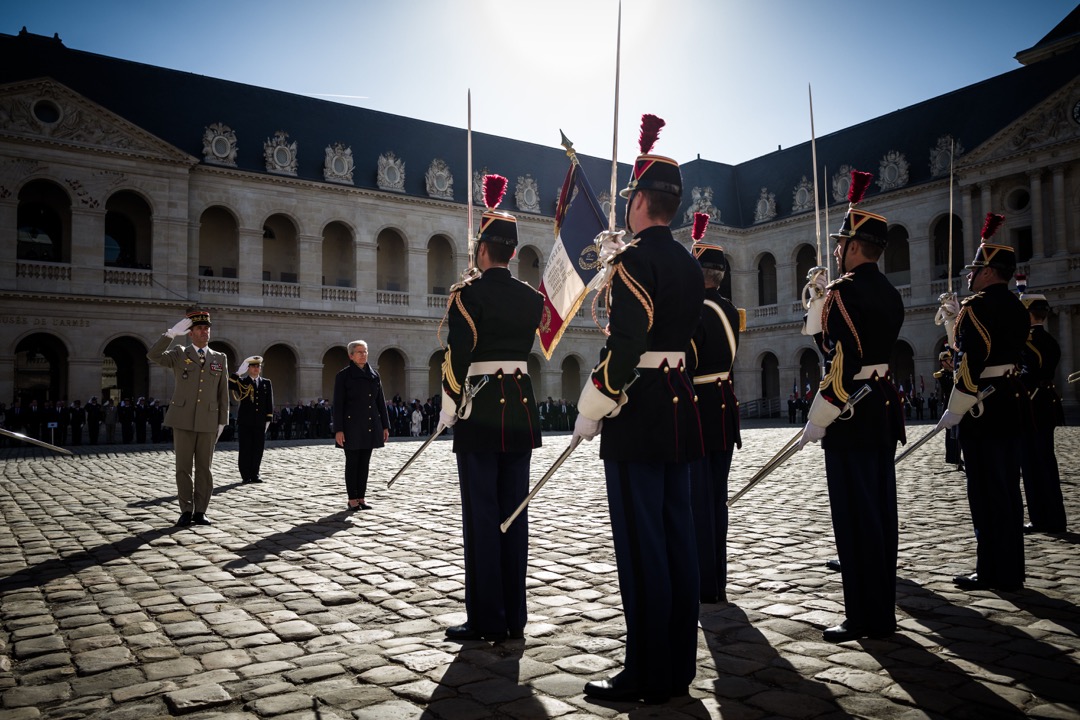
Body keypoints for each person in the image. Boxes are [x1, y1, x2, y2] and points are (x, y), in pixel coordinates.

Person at [572, 115, 704, 704]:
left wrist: (594, 404)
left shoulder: (630, 265)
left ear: (640, 202)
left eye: (628, 200)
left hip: (639, 413)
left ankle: (646, 671)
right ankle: (677, 665)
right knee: (679, 540)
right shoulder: (689, 265)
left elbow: (624, 347)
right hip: (680, 409)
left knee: (642, 545)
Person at [798, 169, 905, 642]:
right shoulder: (889, 292)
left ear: (855, 247)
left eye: (842, 243)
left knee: (855, 519)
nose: (836, 249)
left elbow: (838, 359)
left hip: (851, 413)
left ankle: (864, 616)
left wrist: (821, 414)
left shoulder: (842, 294)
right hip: (881, 408)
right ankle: (881, 609)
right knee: (881, 514)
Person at [440, 174, 544, 644]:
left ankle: (487, 618)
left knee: (481, 518)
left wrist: (448, 404)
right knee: (513, 515)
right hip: (519, 410)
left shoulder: (467, 294)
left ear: (482, 250)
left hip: (479, 412)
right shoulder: (532, 299)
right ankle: (515, 616)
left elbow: (457, 359)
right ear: (514, 254)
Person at [936, 214, 1030, 591]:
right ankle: (1012, 568)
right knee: (1008, 490)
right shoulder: (1018, 307)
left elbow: (971, 363)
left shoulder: (976, 307)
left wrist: (956, 407)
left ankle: (992, 569)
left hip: (983, 409)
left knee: (986, 493)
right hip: (1010, 402)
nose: (970, 275)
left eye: (976, 269)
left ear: (990, 271)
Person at [687, 212, 742, 605]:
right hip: (724, 410)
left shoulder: (694, 312)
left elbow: (687, 365)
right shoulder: (729, 311)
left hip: (698, 412)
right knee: (716, 501)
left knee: (699, 502)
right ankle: (717, 579)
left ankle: (705, 584)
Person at [147, 309, 230, 527]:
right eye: (199, 328)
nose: (204, 332)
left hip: (209, 421)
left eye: (207, 328)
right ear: (190, 333)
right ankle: (186, 509)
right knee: (183, 467)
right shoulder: (179, 353)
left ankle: (201, 510)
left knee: (205, 468)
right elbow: (153, 356)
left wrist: (223, 420)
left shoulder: (219, 358)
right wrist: (170, 334)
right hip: (182, 419)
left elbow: (223, 392)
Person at [1016, 279, 1066, 533]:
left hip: (1032, 407)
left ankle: (1040, 517)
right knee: (1046, 463)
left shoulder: (1028, 342)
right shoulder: (1050, 340)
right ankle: (1055, 517)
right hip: (1047, 404)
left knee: (1033, 466)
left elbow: (1027, 373)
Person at [332, 340, 390, 511]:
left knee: (364, 463)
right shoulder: (343, 376)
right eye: (359, 352)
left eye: (365, 351)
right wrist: (338, 430)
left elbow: (380, 402)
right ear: (351, 355)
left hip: (371, 425)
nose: (363, 354)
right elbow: (338, 405)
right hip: (351, 427)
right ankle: (352, 499)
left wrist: (385, 426)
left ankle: (361, 498)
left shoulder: (374, 375)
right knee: (352, 463)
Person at [230, 355, 274, 484]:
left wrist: (268, 419)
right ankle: (245, 475)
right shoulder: (242, 382)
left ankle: (255, 473)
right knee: (245, 448)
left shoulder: (266, 383)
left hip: (260, 422)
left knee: (257, 449)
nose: (256, 368)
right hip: (245, 421)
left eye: (258, 366)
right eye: (253, 366)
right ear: (248, 368)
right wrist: (238, 373)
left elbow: (269, 402)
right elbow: (229, 385)